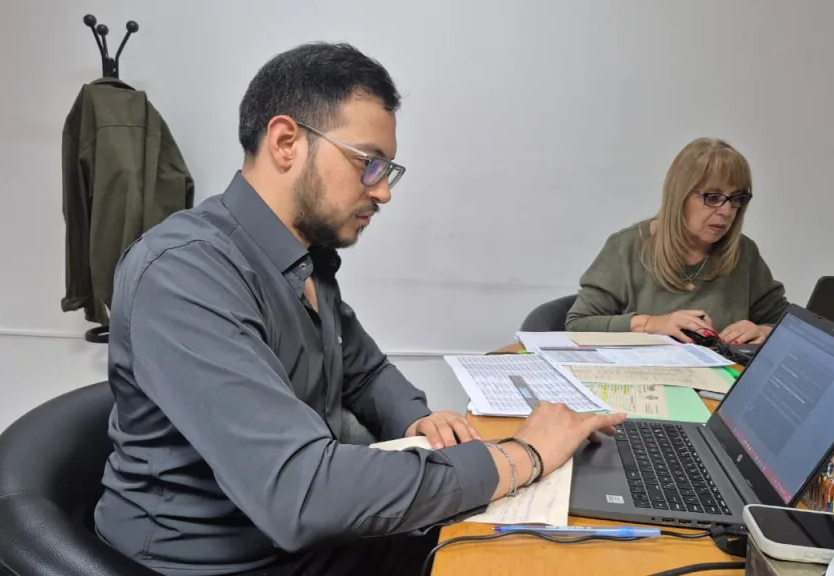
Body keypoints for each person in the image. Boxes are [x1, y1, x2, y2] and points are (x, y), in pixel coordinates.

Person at [93, 42, 626, 576]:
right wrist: (524, 456)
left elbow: (363, 371)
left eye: (387, 170)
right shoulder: (184, 273)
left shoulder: (304, 259)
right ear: (286, 142)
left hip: (303, 538)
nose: (383, 191)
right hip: (220, 561)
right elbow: (302, 493)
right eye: (369, 164)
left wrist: (415, 416)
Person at [565, 137, 789, 344]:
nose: (727, 211)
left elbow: (786, 323)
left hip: (722, 375)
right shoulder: (626, 248)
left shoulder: (743, 252)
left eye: (737, 199)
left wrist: (763, 331)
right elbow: (578, 325)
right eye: (713, 197)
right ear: (680, 195)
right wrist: (650, 324)